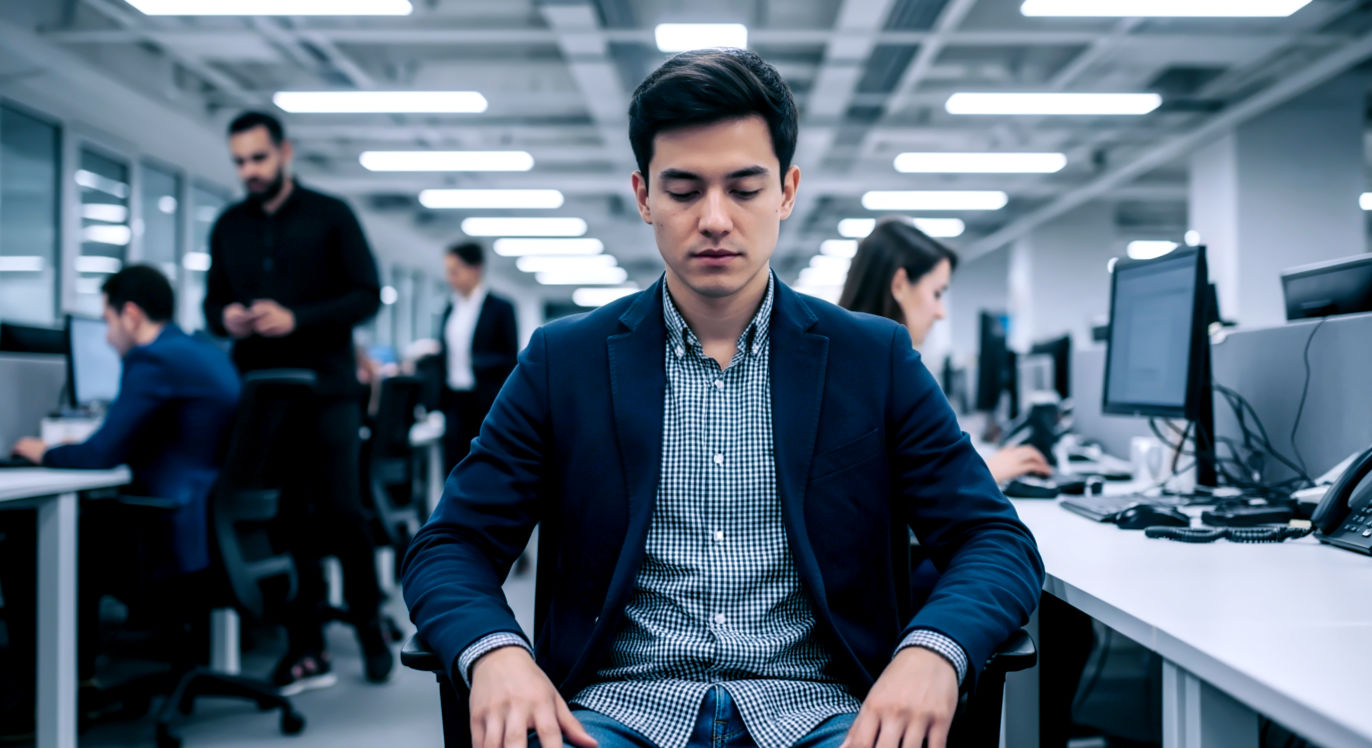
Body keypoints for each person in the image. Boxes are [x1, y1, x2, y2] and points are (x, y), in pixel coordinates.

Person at [403, 49, 1044, 748]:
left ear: (787, 191)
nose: (714, 219)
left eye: (744, 188)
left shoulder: (873, 358)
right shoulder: (566, 362)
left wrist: (932, 651)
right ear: (644, 195)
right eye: (683, 191)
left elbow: (994, 539)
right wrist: (495, 650)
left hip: (828, 717)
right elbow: (451, 545)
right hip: (612, 716)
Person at [3, 265, 240, 731]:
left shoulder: (154, 358)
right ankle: (78, 679)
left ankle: (44, 698)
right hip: (209, 524)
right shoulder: (201, 351)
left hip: (170, 529)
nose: (109, 340)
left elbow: (100, 453)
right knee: (82, 525)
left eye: (108, 322)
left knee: (30, 539)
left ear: (130, 315)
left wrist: (42, 450)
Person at [203, 110, 391, 693]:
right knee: (286, 522)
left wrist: (297, 319)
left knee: (341, 512)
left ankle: (370, 630)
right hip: (263, 394)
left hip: (327, 389)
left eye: (258, 158)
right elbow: (211, 305)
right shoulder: (228, 225)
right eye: (240, 162)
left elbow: (366, 296)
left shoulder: (331, 215)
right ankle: (305, 646)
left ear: (284, 152)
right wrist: (226, 318)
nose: (250, 171)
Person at [838, 218, 1052, 484]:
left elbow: (903, 471)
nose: (941, 313)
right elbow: (879, 494)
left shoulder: (854, 363)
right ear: (900, 284)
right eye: (937, 293)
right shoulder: (861, 376)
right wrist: (983, 473)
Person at [437, 241, 519, 470]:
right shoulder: (450, 308)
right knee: (453, 462)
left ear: (475, 269)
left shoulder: (500, 308)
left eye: (455, 271)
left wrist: (474, 362)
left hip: (485, 399)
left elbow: (509, 357)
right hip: (454, 399)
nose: (449, 278)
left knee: (484, 462)